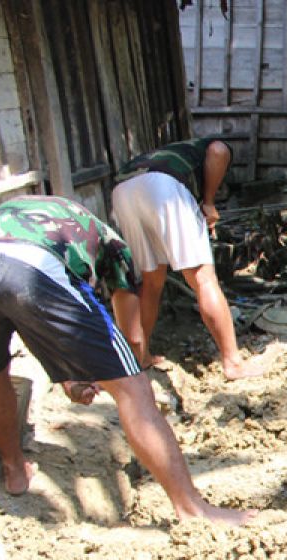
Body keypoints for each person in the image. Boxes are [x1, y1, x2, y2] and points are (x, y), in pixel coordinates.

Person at [0, 195, 255, 525]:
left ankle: (14, 470)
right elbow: (131, 336)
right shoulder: (109, 242)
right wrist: (120, 370)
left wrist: (72, 375)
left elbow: (30, 316)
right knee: (134, 388)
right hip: (34, 268)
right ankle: (193, 509)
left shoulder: (6, 215)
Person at [111, 136, 266, 379]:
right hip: (164, 188)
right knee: (203, 279)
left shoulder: (173, 153)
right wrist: (209, 203)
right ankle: (233, 363)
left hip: (122, 191)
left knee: (151, 281)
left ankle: (140, 357)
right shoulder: (211, 145)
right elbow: (218, 151)